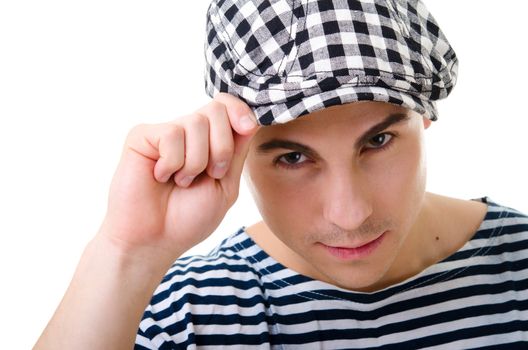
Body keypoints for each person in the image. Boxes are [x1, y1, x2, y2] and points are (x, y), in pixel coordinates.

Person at [35, 0, 528, 348]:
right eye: (293, 158)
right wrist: (127, 252)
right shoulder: (189, 314)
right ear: (238, 147)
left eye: (377, 141)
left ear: (424, 116)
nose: (350, 214)